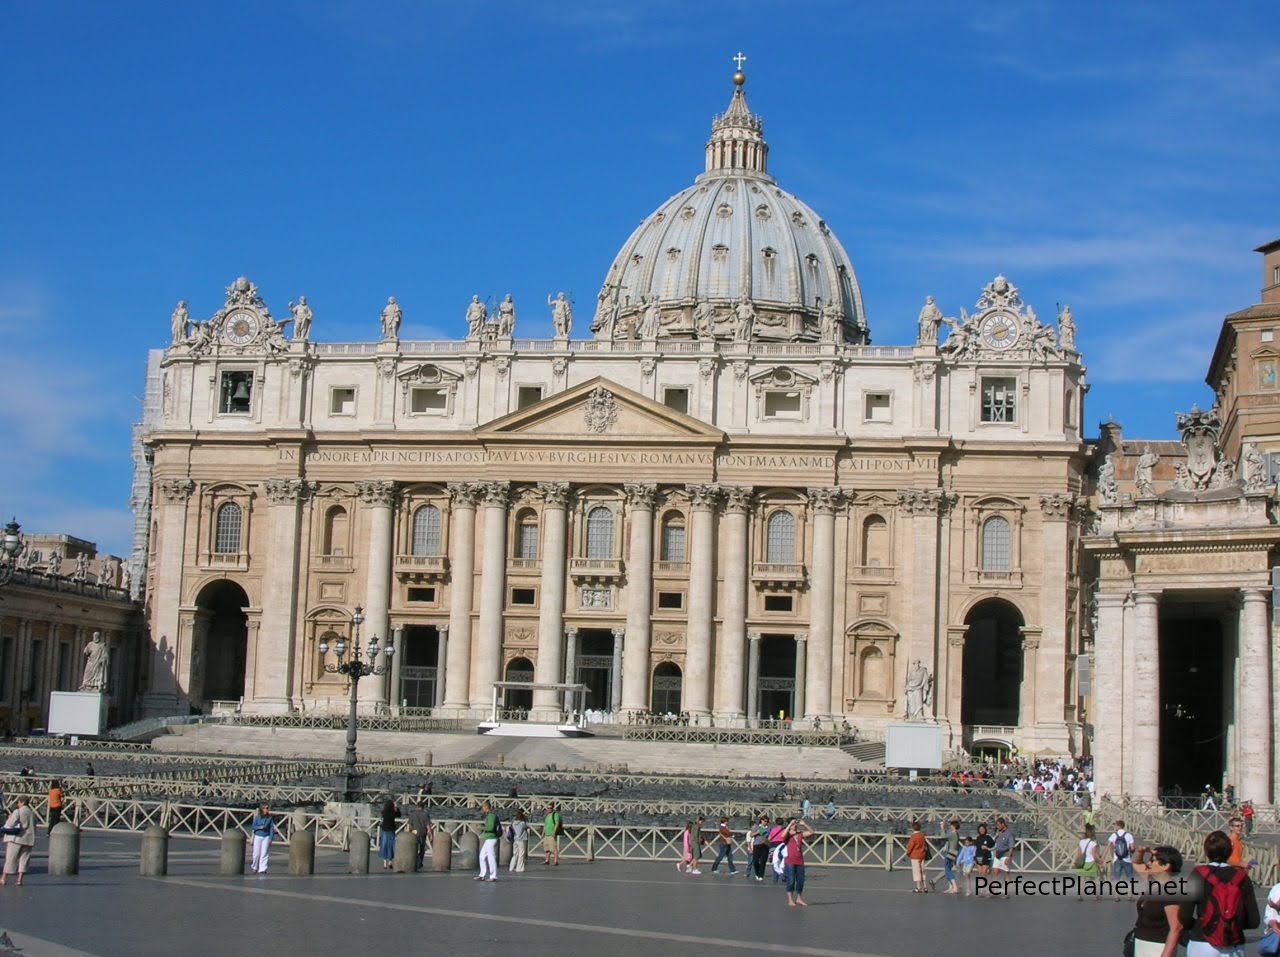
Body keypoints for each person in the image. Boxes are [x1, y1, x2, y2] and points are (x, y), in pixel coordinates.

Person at [1183, 829, 1259, 957]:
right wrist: (1230, 924)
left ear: (1206, 851)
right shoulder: (1242, 877)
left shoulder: (1198, 874)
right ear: (1230, 851)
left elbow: (1184, 915)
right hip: (1234, 942)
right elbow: (1254, 921)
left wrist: (1202, 924)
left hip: (1203, 940)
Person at [1131, 845, 1185, 957]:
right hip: (1142, 944)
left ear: (1166, 866)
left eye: (1152, 860)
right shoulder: (1152, 881)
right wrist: (1141, 851)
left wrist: (1166, 954)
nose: (1149, 863)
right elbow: (1136, 863)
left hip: (1158, 946)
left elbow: (1176, 928)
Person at [1, 796, 36, 887]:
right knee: (24, 860)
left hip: (16, 838)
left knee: (10, 858)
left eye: (18, 802)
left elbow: (9, 824)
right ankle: (19, 880)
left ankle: (3, 878)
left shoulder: (18, 811)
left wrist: (9, 818)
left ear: (22, 802)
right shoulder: (32, 813)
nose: (18, 804)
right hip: (28, 839)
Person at [782, 818, 814, 908]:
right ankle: (790, 899)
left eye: (795, 823)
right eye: (793, 823)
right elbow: (782, 836)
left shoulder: (800, 834)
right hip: (790, 860)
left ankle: (799, 898)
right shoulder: (787, 834)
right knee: (791, 880)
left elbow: (812, 832)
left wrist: (804, 824)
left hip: (799, 860)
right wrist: (789, 825)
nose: (795, 825)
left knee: (800, 880)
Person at [1074, 823, 1103, 901]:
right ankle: (1095, 895)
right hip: (1091, 862)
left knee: (1082, 880)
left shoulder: (1081, 841)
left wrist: (1076, 862)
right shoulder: (1093, 843)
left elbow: (1079, 853)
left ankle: (1080, 895)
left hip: (1082, 863)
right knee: (1095, 880)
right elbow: (1094, 855)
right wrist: (1100, 861)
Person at [476, 800, 499, 882]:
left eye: (482, 807)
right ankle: (482, 875)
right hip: (488, 838)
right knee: (482, 856)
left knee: (491, 857)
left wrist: (481, 827)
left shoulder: (491, 816)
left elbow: (490, 828)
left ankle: (493, 876)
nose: (482, 809)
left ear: (486, 807)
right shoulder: (488, 816)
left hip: (492, 838)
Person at [991, 816, 1016, 892]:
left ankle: (1006, 890)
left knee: (1006, 872)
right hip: (998, 854)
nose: (997, 827)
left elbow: (1011, 847)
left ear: (1003, 824)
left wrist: (1008, 857)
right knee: (994, 871)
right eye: (996, 825)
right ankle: (994, 889)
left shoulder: (1009, 834)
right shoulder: (998, 833)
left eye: (998, 825)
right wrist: (996, 836)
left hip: (1005, 854)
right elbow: (993, 843)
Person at [406, 800, 433, 872]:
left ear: (417, 806)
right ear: (423, 807)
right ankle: (420, 862)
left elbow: (409, 825)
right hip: (422, 832)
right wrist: (430, 834)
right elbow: (428, 826)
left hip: (414, 832)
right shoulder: (425, 814)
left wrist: (409, 833)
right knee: (421, 848)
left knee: (414, 848)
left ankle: (416, 861)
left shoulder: (412, 814)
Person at [250, 803, 274, 874]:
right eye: (264, 808)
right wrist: (259, 827)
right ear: (261, 809)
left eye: (267, 808)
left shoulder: (270, 818)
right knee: (256, 853)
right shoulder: (257, 817)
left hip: (266, 836)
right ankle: (254, 867)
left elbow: (271, 828)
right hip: (258, 836)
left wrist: (271, 838)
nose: (266, 809)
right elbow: (253, 827)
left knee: (264, 853)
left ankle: (262, 868)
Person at [905, 820, 929, 893]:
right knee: (922, 871)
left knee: (916, 872)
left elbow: (910, 846)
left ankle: (918, 888)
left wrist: (907, 854)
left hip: (915, 855)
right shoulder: (922, 835)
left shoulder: (913, 836)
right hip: (922, 855)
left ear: (913, 828)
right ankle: (925, 887)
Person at [940, 818, 960, 894]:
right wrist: (945, 826)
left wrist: (942, 828)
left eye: (951, 825)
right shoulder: (956, 833)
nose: (950, 826)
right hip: (953, 852)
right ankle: (950, 887)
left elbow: (943, 836)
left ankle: (955, 887)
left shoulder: (953, 833)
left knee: (948, 870)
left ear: (954, 826)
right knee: (948, 869)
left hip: (950, 853)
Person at [973, 822, 994, 893]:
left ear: (985, 830)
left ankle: (983, 888)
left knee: (984, 873)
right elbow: (976, 845)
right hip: (978, 856)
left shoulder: (988, 837)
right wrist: (980, 846)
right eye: (980, 829)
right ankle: (983, 887)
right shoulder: (977, 838)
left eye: (983, 829)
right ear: (978, 830)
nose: (982, 830)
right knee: (980, 873)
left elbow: (993, 845)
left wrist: (987, 847)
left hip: (986, 856)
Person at [378, 798, 399, 870]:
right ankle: (390, 862)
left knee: (384, 846)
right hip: (391, 830)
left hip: (384, 830)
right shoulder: (393, 812)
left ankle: (384, 864)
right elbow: (399, 814)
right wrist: (396, 807)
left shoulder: (384, 812)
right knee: (390, 846)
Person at [749, 814, 771, 882]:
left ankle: (761, 875)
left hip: (765, 845)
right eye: (765, 821)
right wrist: (757, 832)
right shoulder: (756, 827)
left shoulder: (769, 828)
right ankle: (757, 873)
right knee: (755, 861)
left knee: (763, 861)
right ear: (761, 821)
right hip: (757, 845)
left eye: (767, 821)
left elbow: (770, 837)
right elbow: (751, 835)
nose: (766, 822)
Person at [767, 817, 787, 884]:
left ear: (776, 822)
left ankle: (775, 878)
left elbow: (769, 838)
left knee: (775, 862)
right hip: (782, 845)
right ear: (783, 823)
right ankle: (784, 877)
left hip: (773, 846)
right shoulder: (785, 830)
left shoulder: (772, 829)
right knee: (783, 862)